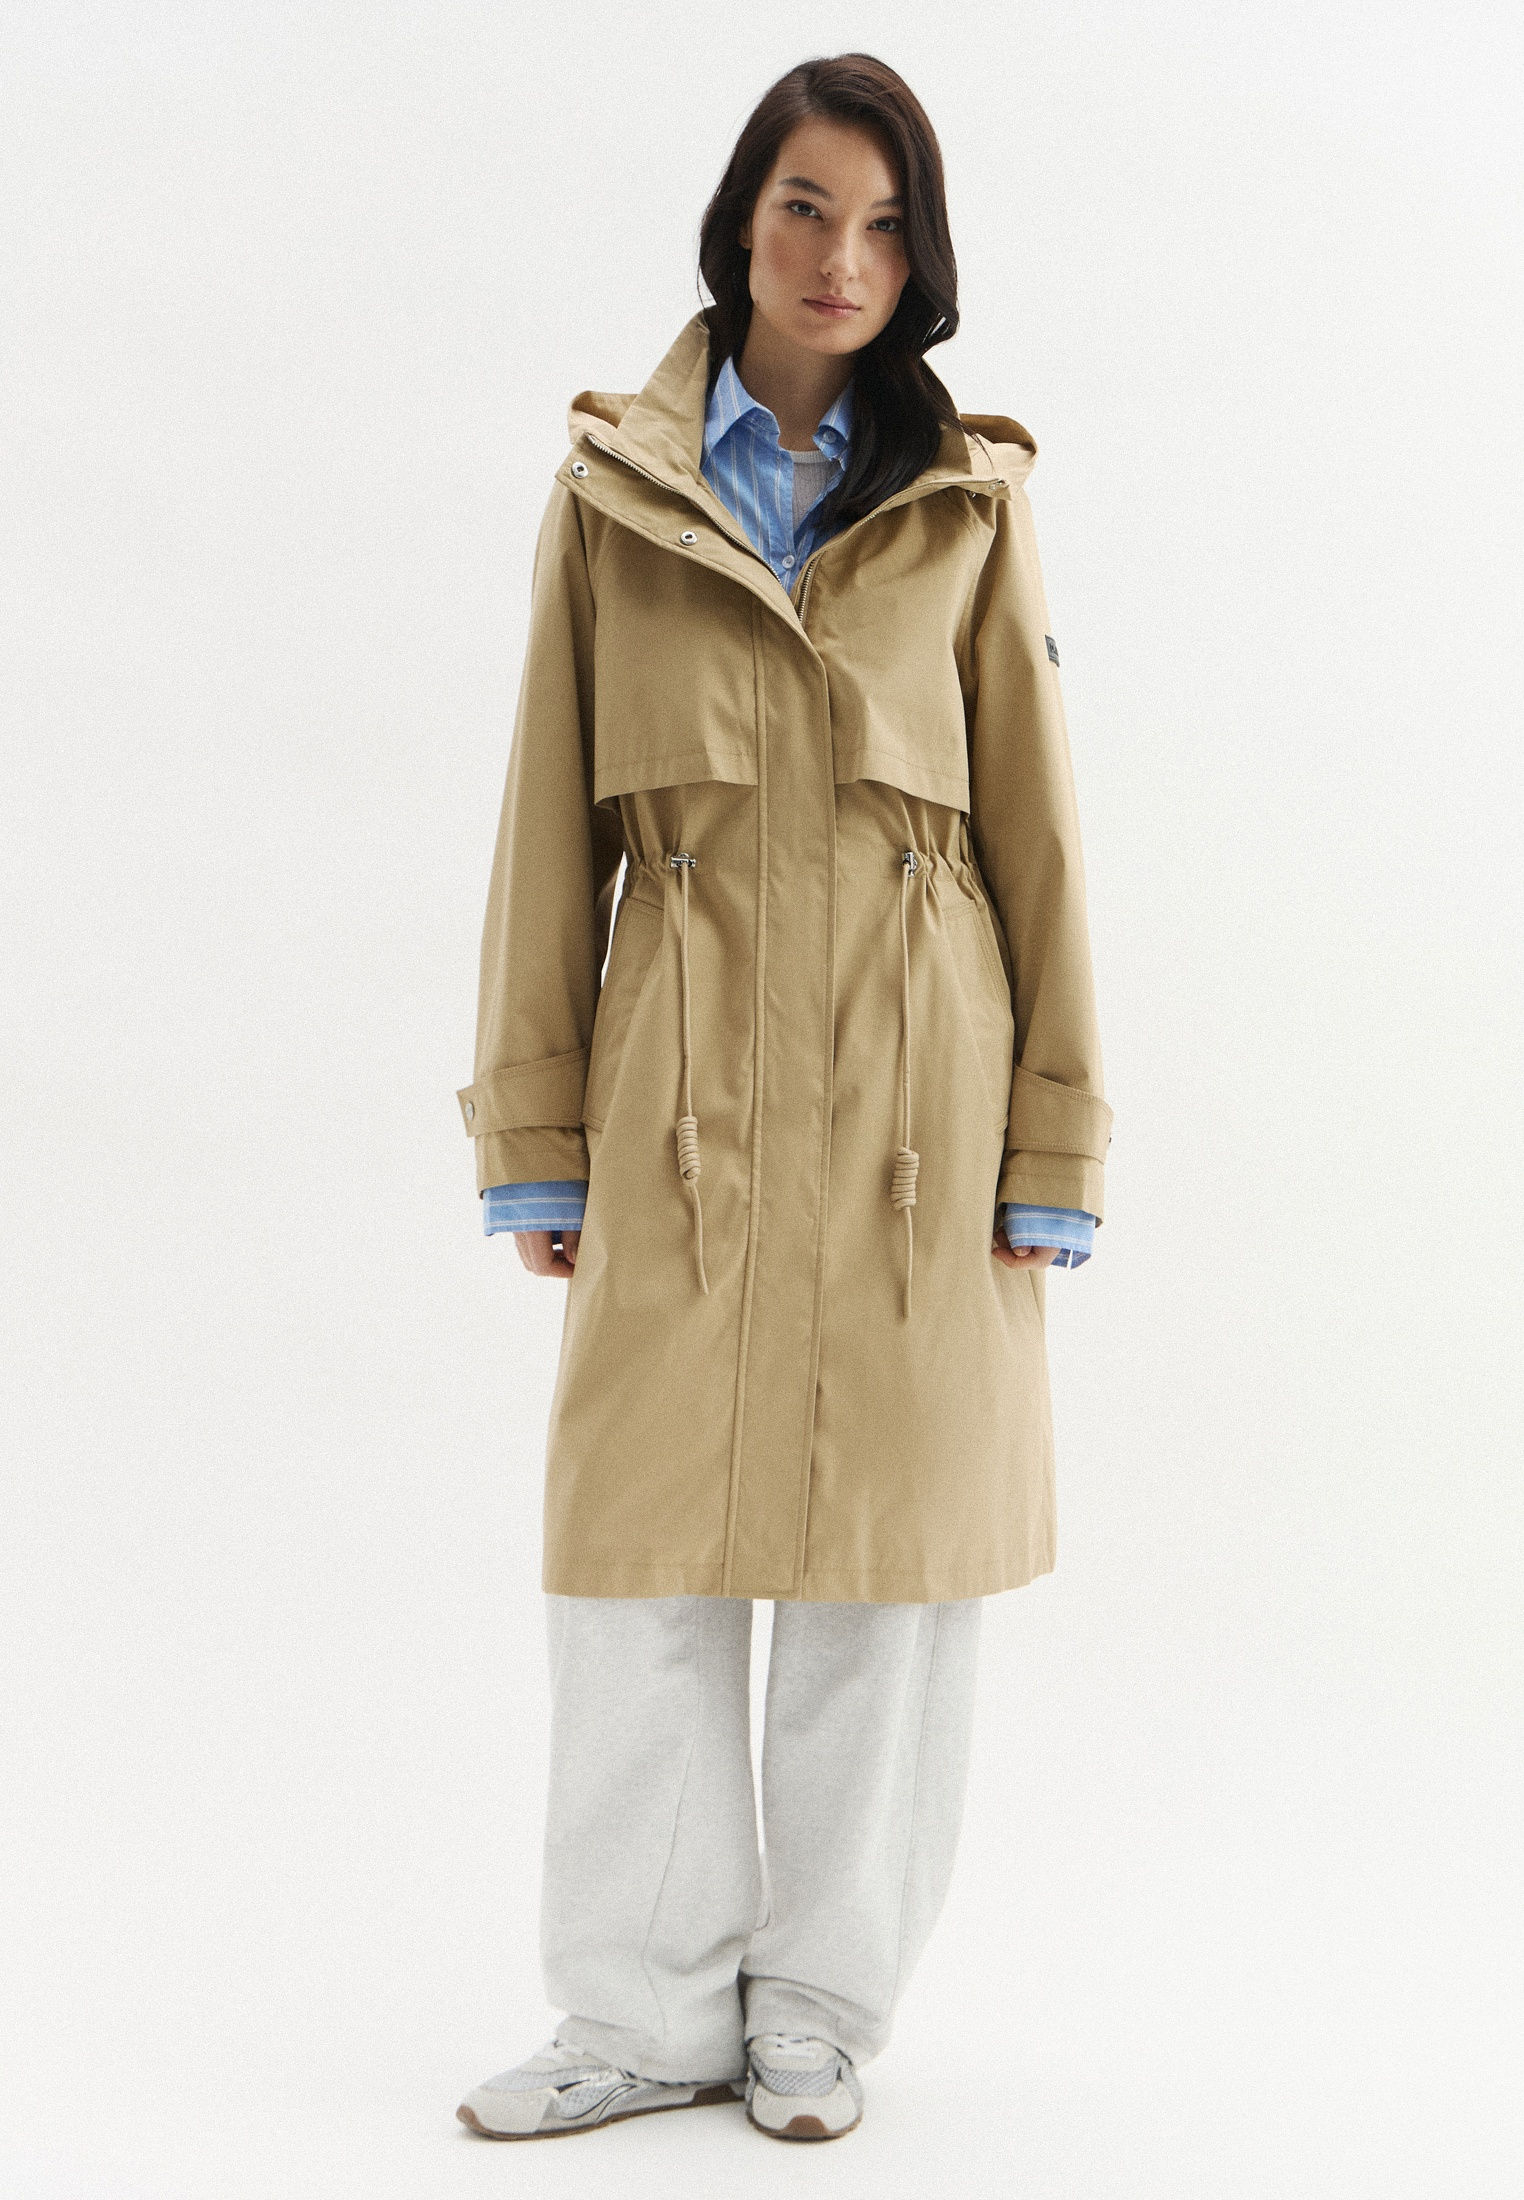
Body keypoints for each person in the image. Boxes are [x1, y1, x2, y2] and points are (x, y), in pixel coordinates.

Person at [452, 53, 1112, 2144]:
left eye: (888, 223)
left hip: (922, 1104)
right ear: (744, 218)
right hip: (679, 1106)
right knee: (641, 1558)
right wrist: (535, 1136)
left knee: (880, 1576)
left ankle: (817, 2005)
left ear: (924, 261)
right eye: (810, 207)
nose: (845, 256)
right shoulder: (611, 497)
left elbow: (1038, 836)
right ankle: (640, 2011)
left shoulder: (971, 507)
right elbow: (546, 834)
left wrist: (1056, 1143)